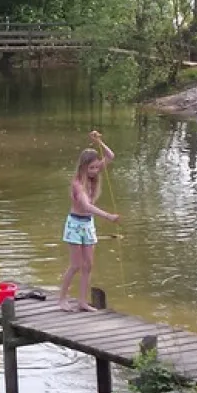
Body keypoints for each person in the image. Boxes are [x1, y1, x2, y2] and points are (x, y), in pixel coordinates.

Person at [61, 130, 118, 312]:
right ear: (83, 166)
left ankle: (83, 302)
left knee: (88, 265)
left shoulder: (95, 174)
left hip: (88, 225)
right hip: (75, 224)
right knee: (76, 265)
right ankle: (62, 299)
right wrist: (108, 216)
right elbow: (86, 206)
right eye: (91, 168)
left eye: (96, 167)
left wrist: (98, 142)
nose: (95, 171)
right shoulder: (78, 184)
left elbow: (110, 156)